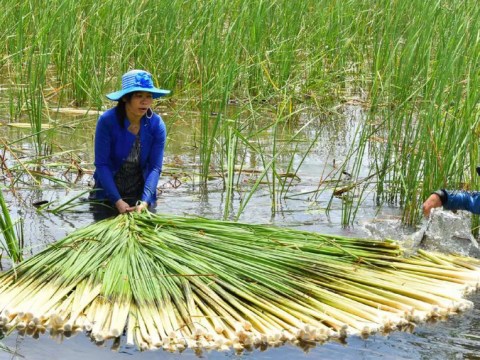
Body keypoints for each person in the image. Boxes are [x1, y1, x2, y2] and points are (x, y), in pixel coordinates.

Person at [90, 69, 170, 215]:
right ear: (126, 98)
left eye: (149, 96)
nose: (145, 101)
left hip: (140, 194)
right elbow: (102, 165)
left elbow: (155, 168)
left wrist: (145, 201)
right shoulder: (107, 121)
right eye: (139, 96)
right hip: (108, 195)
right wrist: (117, 200)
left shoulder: (156, 125)